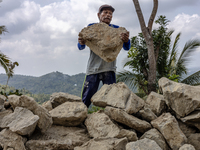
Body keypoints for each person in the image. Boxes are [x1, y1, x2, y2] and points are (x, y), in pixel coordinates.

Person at [77, 4, 131, 107]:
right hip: (93, 69)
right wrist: (81, 42)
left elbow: (126, 47)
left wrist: (126, 40)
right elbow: (80, 47)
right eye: (105, 12)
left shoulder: (117, 29)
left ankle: (112, 120)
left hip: (109, 69)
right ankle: (80, 119)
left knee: (113, 100)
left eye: (110, 13)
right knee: (86, 99)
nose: (108, 15)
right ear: (99, 15)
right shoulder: (92, 27)